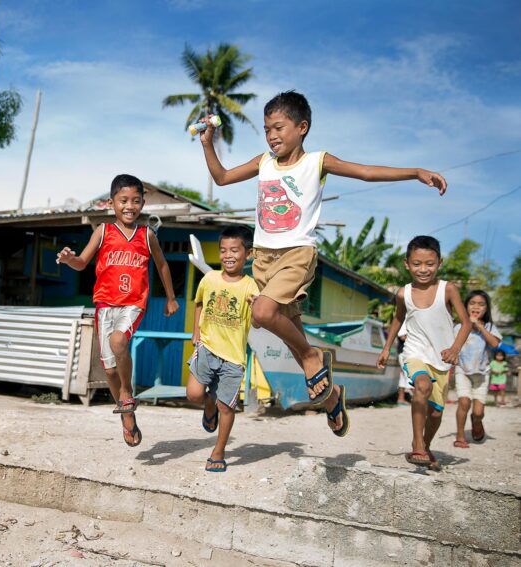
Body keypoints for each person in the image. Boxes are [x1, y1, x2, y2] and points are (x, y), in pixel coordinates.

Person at [197, 91, 447, 437]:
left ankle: (313, 356)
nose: (271, 136)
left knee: (263, 313)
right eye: (267, 129)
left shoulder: (316, 161)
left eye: (279, 128)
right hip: (264, 258)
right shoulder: (263, 162)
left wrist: (415, 172)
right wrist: (207, 145)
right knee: (292, 340)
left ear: (302, 127)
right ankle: (332, 399)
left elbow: (366, 172)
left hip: (296, 255)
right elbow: (222, 177)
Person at [57, 174, 179, 447]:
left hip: (134, 303)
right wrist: (69, 259)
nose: (129, 206)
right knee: (109, 370)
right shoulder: (103, 231)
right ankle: (126, 413)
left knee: (118, 340)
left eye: (135, 201)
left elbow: (162, 265)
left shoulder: (147, 235)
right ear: (111, 203)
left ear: (143, 204)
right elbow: (82, 262)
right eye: (123, 200)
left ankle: (127, 391)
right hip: (105, 304)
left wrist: (171, 298)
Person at [378, 236, 471, 469]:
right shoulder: (404, 293)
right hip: (415, 352)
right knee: (422, 386)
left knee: (436, 413)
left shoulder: (448, 289)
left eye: (430, 264)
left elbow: (466, 322)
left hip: (441, 359)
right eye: (417, 264)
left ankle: (426, 447)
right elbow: (398, 319)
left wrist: (455, 349)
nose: (423, 269)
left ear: (439, 263)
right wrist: (387, 348)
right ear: (407, 264)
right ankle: (417, 443)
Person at [186, 226, 259, 472]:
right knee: (193, 395)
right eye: (223, 250)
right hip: (207, 348)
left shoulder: (251, 287)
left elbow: (258, 323)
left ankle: (218, 451)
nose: (228, 255)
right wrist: (196, 332)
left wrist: (256, 307)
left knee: (226, 406)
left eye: (234, 250)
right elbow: (199, 303)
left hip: (234, 358)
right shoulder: (209, 279)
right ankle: (209, 405)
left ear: (248, 254)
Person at [453, 290, 501, 448]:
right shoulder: (458, 327)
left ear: (486, 309)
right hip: (462, 371)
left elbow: (494, 344)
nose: (476, 307)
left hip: (482, 373)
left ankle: (476, 421)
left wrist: (480, 326)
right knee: (464, 402)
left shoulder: (489, 326)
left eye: (481, 304)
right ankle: (460, 436)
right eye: (472, 303)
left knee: (478, 412)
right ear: (465, 306)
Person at [395, 326, 412, 406]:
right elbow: (402, 336)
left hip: (405, 353)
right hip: (404, 353)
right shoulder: (404, 323)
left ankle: (401, 399)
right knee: (409, 375)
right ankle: (420, 399)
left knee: (403, 377)